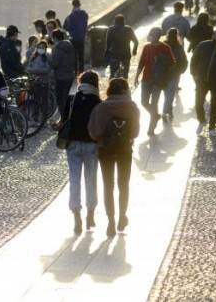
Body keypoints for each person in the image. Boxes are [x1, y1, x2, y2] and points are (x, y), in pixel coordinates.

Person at [88, 78, 140, 237]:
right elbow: (135, 133)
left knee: (108, 185)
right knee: (124, 184)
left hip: (106, 150)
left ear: (110, 90)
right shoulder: (132, 107)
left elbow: (93, 131)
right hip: (125, 150)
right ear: (125, 90)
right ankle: (122, 215)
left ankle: (110, 220)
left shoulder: (101, 107)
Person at [62, 71, 102, 234]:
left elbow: (65, 120)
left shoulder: (72, 99)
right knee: (91, 180)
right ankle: (91, 213)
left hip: (73, 144)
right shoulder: (98, 101)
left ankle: (76, 214)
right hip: (91, 145)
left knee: (74, 179)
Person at [134, 27, 176, 136]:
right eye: (151, 34)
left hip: (158, 81)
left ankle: (151, 128)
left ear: (158, 36)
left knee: (154, 103)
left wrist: (162, 65)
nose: (151, 36)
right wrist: (136, 77)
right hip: (146, 79)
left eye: (153, 34)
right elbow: (141, 63)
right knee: (143, 102)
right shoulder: (146, 47)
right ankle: (156, 116)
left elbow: (172, 64)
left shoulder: (165, 48)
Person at [50, 29, 77, 127]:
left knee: (60, 100)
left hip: (60, 77)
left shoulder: (57, 48)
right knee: (67, 99)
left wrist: (49, 58)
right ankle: (67, 119)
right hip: (69, 75)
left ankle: (63, 121)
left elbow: (54, 63)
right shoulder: (70, 46)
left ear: (55, 38)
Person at [162, 28, 188, 122]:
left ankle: (166, 112)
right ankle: (167, 111)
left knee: (167, 94)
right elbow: (184, 61)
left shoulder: (163, 45)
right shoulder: (179, 47)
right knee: (170, 94)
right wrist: (180, 71)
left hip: (163, 74)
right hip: (174, 74)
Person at [105, 14, 138, 79]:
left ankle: (112, 82)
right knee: (125, 74)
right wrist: (134, 50)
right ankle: (125, 82)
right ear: (124, 21)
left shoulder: (111, 29)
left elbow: (108, 42)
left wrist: (106, 52)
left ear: (115, 21)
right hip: (126, 55)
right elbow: (136, 41)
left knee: (113, 74)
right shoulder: (128, 29)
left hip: (114, 55)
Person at [63, 0, 89, 74]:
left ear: (73, 5)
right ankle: (81, 72)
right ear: (80, 5)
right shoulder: (85, 14)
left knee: (74, 56)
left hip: (73, 38)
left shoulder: (71, 16)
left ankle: (75, 72)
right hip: (81, 38)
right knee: (81, 56)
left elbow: (66, 27)